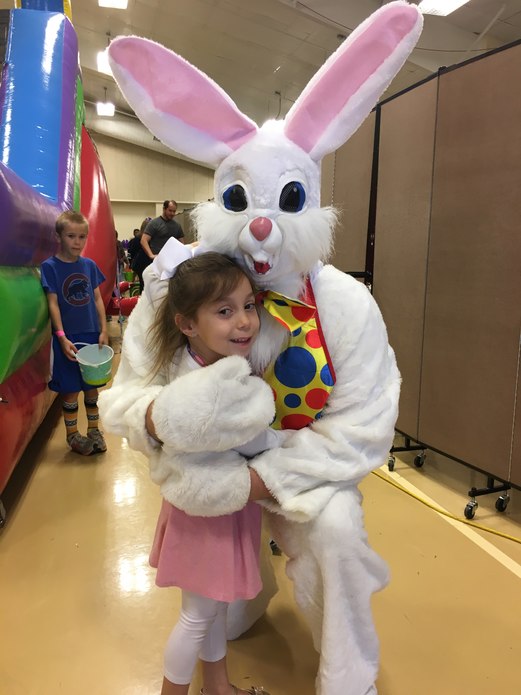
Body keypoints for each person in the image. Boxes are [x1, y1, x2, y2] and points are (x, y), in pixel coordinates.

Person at [102, 250, 276, 695]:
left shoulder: (214, 365)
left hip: (220, 507)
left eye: (248, 306)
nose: (244, 322)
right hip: (205, 515)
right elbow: (250, 439)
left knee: (211, 609)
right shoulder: (205, 388)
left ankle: (217, 686)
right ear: (187, 324)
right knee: (197, 617)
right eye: (224, 311)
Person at [40, 210, 109, 456]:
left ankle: (93, 429)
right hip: (69, 338)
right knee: (71, 388)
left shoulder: (89, 265)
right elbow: (53, 303)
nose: (77, 242)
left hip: (92, 333)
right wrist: (61, 336)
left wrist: (103, 329)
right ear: (59, 236)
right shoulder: (50, 267)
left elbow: (98, 299)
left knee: (92, 386)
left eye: (82, 237)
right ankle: (72, 435)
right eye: (71, 236)